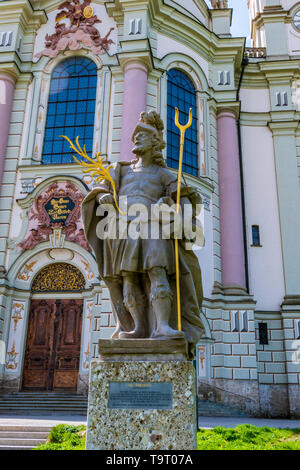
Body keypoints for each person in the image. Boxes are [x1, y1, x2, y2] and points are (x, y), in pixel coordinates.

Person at [82, 111, 204, 358]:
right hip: (123, 227)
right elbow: (103, 191)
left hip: (153, 226)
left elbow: (185, 199)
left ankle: (162, 326)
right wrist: (103, 197)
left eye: (143, 135)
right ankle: (135, 327)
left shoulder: (164, 174)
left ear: (155, 143)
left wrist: (172, 202)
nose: (136, 138)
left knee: (157, 271)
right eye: (135, 135)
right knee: (128, 278)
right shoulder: (121, 171)